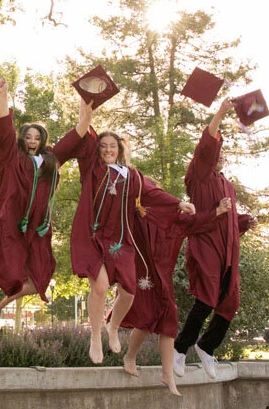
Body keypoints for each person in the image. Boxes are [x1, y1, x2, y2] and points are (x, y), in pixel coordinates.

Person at [60, 97, 195, 364]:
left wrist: (179, 203)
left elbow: (152, 194)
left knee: (130, 292)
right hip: (93, 237)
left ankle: (113, 327)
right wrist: (85, 111)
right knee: (99, 287)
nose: (108, 150)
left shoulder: (132, 175)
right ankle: (95, 336)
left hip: (120, 240)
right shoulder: (92, 168)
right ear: (98, 150)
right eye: (103, 146)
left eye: (113, 146)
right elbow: (84, 134)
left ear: (119, 149)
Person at [174, 98, 256, 378]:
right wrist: (220, 112)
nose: (220, 155)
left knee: (230, 302)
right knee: (207, 299)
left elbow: (230, 222)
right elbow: (207, 144)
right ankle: (179, 349)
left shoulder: (228, 185)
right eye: (216, 152)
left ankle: (206, 346)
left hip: (227, 252)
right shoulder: (200, 175)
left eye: (223, 154)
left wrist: (245, 221)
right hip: (206, 246)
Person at [122, 194, 233, 396]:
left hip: (164, 278)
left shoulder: (174, 221)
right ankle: (130, 357)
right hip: (144, 276)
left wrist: (218, 211)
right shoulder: (136, 216)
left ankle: (168, 375)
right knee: (147, 318)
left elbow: (195, 222)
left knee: (169, 322)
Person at [0, 77, 74, 310]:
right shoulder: (12, 157)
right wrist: (3, 95)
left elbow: (75, 138)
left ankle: (8, 291)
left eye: (37, 137)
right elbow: (3, 131)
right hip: (12, 221)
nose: (32, 141)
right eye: (28, 136)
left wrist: (87, 109)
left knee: (41, 277)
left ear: (43, 140)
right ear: (22, 139)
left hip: (39, 226)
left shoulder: (51, 160)